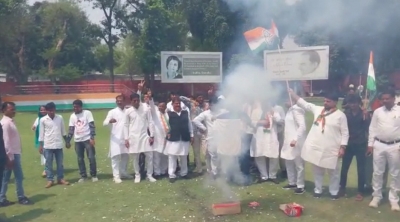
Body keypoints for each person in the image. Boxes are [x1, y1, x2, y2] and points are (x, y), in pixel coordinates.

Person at [288, 89, 349, 200]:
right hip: (316, 146)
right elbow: (304, 104)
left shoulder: (340, 116)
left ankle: (334, 192)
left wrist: (343, 147)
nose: (325, 103)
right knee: (317, 170)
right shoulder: (318, 110)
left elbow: (345, 133)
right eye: (325, 101)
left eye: (328, 101)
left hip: (332, 148)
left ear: (335, 102)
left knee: (333, 172)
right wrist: (293, 94)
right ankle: (318, 190)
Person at [367, 89, 400, 211]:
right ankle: (376, 196)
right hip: (379, 145)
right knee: (377, 172)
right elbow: (372, 128)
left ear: (393, 98)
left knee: (395, 173)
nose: (385, 101)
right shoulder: (377, 112)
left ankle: (394, 199)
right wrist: (370, 144)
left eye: (388, 98)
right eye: (383, 99)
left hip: (395, 145)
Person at [0, 102, 32, 206]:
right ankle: (21, 197)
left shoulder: (11, 121)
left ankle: (2, 198)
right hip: (11, 154)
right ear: (4, 110)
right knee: (18, 176)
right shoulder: (5, 123)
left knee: (6, 177)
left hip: (13, 153)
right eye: (11, 109)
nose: (14, 111)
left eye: (14, 109)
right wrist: (10, 157)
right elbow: (6, 141)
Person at [339, 94, 369, 201]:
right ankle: (342, 188)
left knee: (361, 169)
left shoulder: (364, 114)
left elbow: (368, 129)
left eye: (355, 103)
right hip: (349, 144)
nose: (353, 105)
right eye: (351, 103)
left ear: (359, 103)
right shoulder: (345, 114)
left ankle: (360, 191)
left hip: (361, 144)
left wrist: (367, 116)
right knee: (344, 168)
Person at [124, 93, 156, 183]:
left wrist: (152, 135)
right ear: (131, 101)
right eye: (134, 101)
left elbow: (150, 122)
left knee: (150, 156)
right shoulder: (128, 111)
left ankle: (149, 175)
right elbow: (126, 125)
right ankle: (137, 175)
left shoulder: (145, 109)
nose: (136, 102)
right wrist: (126, 139)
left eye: (138, 100)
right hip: (133, 137)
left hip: (145, 136)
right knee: (135, 157)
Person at [38, 102, 70, 188]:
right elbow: (41, 133)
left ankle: (60, 179)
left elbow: (63, 130)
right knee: (48, 163)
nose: (52, 112)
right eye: (50, 110)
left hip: (58, 144)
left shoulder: (59, 118)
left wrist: (67, 141)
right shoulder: (43, 120)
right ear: (47, 111)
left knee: (60, 163)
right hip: (48, 145)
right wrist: (40, 145)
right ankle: (50, 180)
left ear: (55, 109)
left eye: (53, 110)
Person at [66, 100, 98, 183]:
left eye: (77, 107)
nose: (75, 108)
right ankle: (83, 175)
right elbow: (71, 129)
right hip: (78, 140)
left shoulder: (87, 113)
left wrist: (92, 137)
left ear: (81, 107)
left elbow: (91, 126)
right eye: (74, 107)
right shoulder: (72, 116)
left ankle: (93, 175)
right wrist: (68, 140)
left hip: (87, 139)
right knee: (80, 159)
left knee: (91, 157)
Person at [103, 95, 132, 184]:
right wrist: (109, 121)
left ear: (124, 101)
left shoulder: (128, 111)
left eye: (121, 100)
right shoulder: (112, 112)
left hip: (126, 137)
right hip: (115, 138)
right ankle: (116, 176)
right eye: (118, 101)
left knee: (125, 156)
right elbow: (104, 122)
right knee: (115, 157)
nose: (119, 102)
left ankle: (123, 172)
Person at [250, 101, 282, 184]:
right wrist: (260, 122)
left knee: (273, 156)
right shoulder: (256, 111)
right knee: (259, 156)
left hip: (271, 136)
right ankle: (263, 176)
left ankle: (272, 175)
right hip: (259, 136)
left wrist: (273, 114)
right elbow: (250, 122)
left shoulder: (274, 111)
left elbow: (280, 121)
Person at [164, 97, 193, 183]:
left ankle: (184, 173)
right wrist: (167, 134)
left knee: (184, 156)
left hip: (184, 137)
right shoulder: (168, 114)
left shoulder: (185, 113)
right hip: (173, 138)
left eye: (178, 103)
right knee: (172, 157)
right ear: (172, 104)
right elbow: (166, 125)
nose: (177, 105)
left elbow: (189, 124)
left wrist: (191, 135)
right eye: (175, 103)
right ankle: (172, 175)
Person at [281, 100, 307, 194]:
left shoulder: (297, 110)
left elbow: (302, 126)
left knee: (299, 165)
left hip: (297, 142)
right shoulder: (289, 110)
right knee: (289, 162)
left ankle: (300, 185)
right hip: (288, 140)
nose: (284, 102)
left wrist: (295, 139)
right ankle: (292, 182)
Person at [181, 93, 209, 174]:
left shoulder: (205, 106)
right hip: (195, 132)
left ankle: (208, 168)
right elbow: (181, 97)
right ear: (196, 98)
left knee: (206, 151)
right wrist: (192, 101)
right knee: (196, 152)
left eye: (202, 97)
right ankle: (199, 168)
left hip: (204, 132)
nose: (201, 99)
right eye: (199, 97)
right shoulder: (191, 105)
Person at [192, 97, 219, 179]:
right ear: (209, 105)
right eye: (211, 104)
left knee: (213, 155)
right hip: (209, 136)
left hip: (219, 136)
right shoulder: (206, 113)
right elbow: (195, 120)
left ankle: (214, 171)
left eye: (214, 104)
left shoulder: (220, 113)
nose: (212, 106)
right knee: (209, 154)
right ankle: (211, 171)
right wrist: (204, 128)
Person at [148, 99, 169, 178]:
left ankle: (163, 170)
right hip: (157, 137)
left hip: (166, 137)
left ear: (165, 107)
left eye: (162, 106)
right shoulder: (155, 114)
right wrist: (151, 99)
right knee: (157, 155)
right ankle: (157, 172)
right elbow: (152, 107)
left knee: (165, 155)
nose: (161, 107)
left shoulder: (167, 114)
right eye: (159, 106)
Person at [31, 105, 47, 177]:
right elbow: (34, 127)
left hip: (48, 139)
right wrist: (34, 127)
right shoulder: (38, 119)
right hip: (41, 140)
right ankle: (46, 168)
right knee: (43, 154)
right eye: (41, 110)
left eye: (44, 110)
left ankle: (46, 170)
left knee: (47, 154)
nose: (43, 111)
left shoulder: (48, 118)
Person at [273, 102, 287, 178]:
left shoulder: (279, 108)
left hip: (278, 132)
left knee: (280, 151)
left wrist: (276, 119)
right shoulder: (263, 107)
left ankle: (284, 168)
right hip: (268, 134)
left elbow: (283, 121)